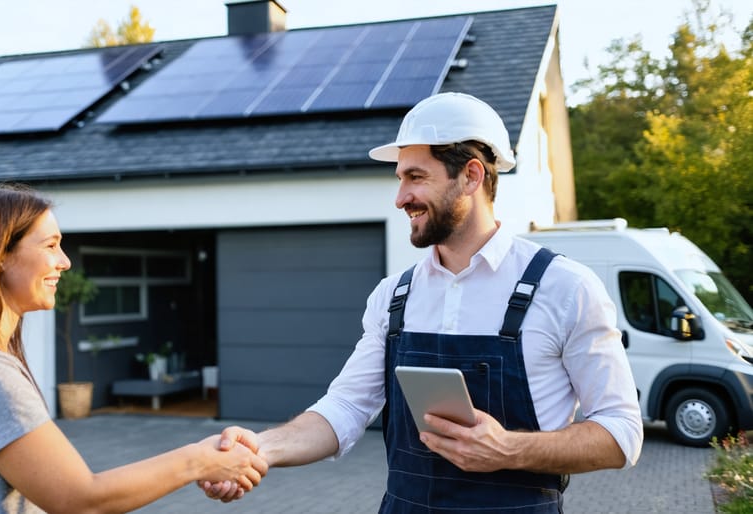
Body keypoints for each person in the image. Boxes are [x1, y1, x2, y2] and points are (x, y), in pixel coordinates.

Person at [201, 92, 644, 512]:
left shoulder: (566, 288)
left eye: (416, 177)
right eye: (399, 179)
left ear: (471, 175)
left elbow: (621, 433)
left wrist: (509, 448)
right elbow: (346, 408)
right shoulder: (394, 297)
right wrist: (259, 450)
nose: (400, 198)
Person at [0, 185, 266, 514]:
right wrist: (198, 461)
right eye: (51, 245)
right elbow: (80, 500)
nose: (65, 262)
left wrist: (204, 455)